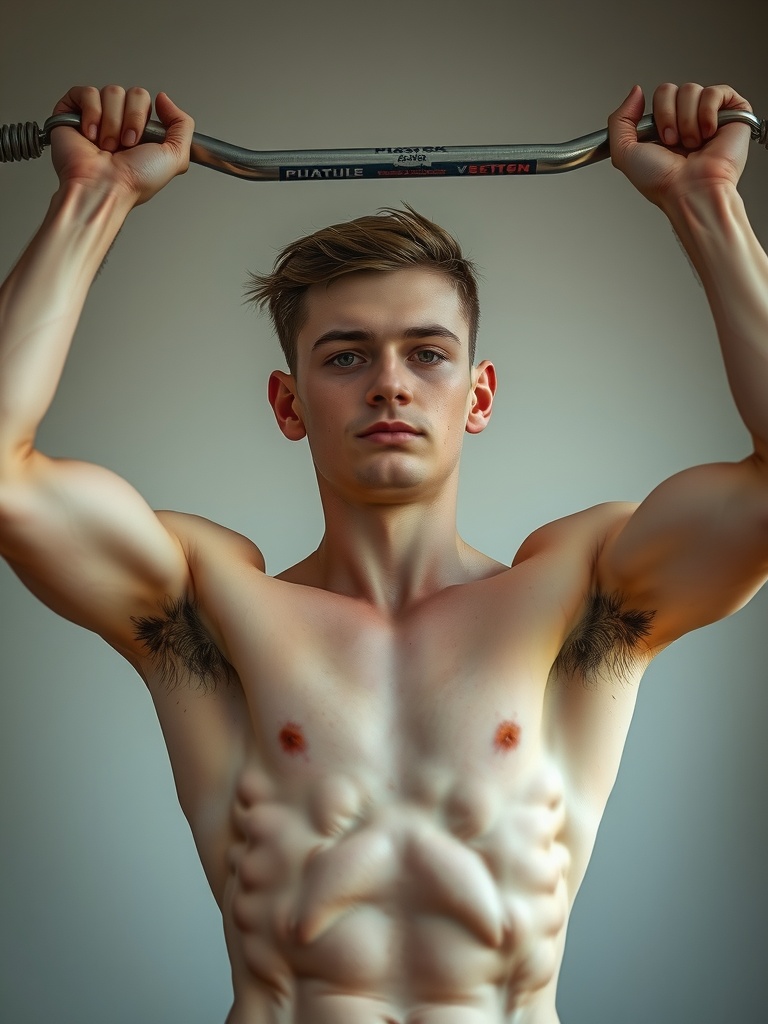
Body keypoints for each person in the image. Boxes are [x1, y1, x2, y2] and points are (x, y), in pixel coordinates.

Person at [0, 80, 766, 1024]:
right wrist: (93, 197)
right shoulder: (213, 605)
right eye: (347, 355)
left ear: (478, 396)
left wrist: (706, 203)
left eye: (427, 354)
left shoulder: (577, 591)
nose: (390, 387)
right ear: (290, 403)